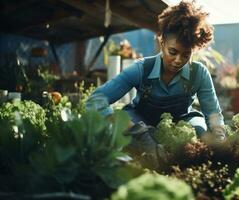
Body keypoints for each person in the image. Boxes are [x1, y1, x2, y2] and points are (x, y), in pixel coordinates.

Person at [86, 1, 225, 141]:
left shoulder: (199, 73)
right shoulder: (141, 69)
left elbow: (213, 114)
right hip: (140, 120)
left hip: (183, 122)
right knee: (135, 138)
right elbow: (96, 99)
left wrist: (220, 141)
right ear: (162, 42)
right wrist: (126, 126)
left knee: (199, 132)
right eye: (173, 52)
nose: (178, 60)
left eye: (185, 55)